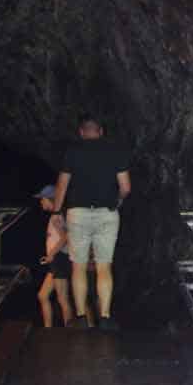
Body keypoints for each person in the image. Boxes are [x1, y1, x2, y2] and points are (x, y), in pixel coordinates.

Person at [52, 114, 131, 331]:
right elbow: (126, 187)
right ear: (100, 131)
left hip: (78, 213)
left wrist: (56, 211)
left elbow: (62, 184)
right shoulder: (115, 151)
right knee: (104, 266)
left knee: (78, 266)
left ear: (81, 132)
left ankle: (80, 318)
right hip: (106, 213)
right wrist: (117, 202)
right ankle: (104, 317)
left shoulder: (72, 152)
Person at [34, 185, 74, 328]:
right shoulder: (55, 216)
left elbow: (65, 238)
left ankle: (69, 330)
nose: (41, 202)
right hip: (55, 260)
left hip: (59, 259)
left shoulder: (57, 216)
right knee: (42, 295)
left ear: (50, 199)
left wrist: (51, 255)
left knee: (62, 298)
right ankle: (48, 329)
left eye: (43, 199)